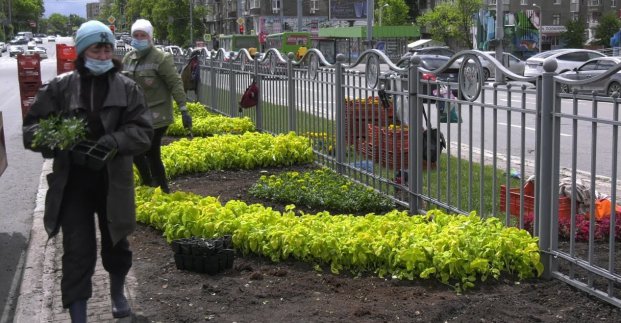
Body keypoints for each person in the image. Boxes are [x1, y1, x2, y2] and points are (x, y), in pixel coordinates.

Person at [22, 20, 154, 322]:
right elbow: (31, 129)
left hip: (112, 182)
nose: (104, 53)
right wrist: (58, 139)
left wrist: (114, 140)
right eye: (97, 47)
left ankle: (118, 293)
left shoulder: (127, 87)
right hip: (73, 183)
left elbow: (143, 131)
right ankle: (78, 315)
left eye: (108, 47)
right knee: (77, 252)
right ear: (83, 51)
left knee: (117, 244)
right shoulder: (60, 87)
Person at [122, 19, 192, 193]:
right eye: (136, 35)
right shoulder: (129, 58)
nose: (139, 38)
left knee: (150, 151)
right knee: (136, 152)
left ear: (150, 37)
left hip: (157, 114)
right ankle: (150, 183)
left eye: (143, 35)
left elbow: (175, 83)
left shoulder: (161, 58)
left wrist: (183, 109)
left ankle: (161, 188)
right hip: (136, 114)